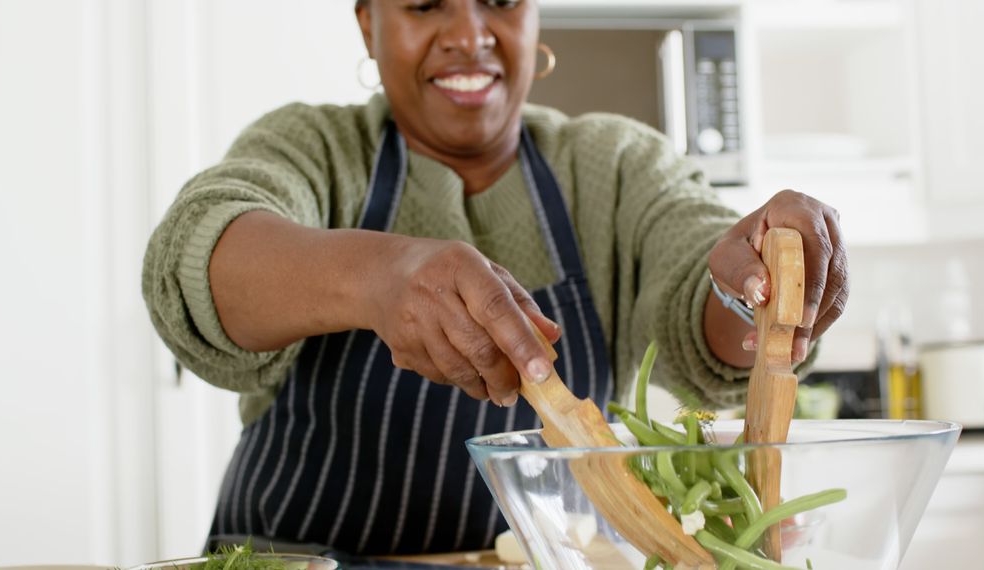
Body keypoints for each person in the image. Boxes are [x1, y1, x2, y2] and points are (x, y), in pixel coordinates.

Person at [141, 0, 848, 557]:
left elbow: (704, 295)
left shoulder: (615, 166)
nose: (469, 34)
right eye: (425, 5)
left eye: (500, 0)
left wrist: (759, 282)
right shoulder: (316, 149)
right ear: (367, 24)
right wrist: (380, 275)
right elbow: (195, 259)